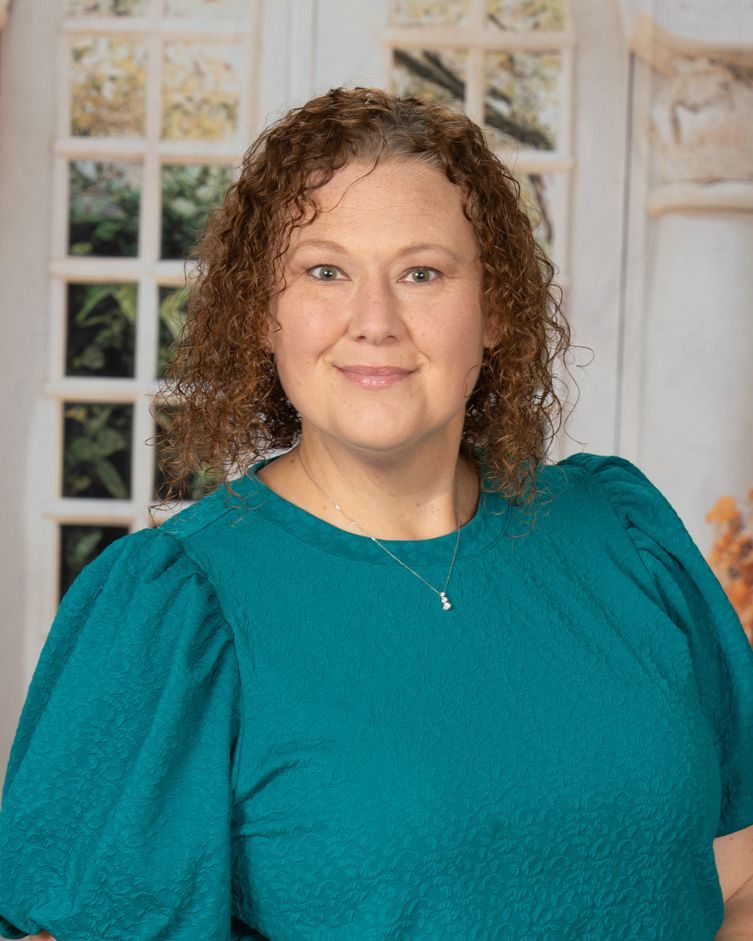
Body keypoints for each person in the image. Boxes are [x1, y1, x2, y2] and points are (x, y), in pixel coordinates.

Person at [0, 86, 752, 941]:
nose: (374, 321)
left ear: (496, 308)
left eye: (421, 273)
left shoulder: (620, 533)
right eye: (325, 271)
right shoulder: (180, 606)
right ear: (262, 311)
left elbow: (738, 869)